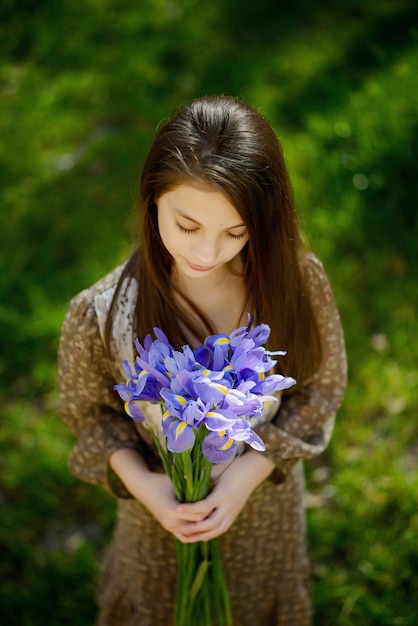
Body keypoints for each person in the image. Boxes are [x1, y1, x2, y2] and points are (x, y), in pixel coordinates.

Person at [57, 95, 347, 626]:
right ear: (151, 202)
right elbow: (90, 416)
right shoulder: (100, 314)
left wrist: (247, 476)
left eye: (235, 232)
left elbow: (319, 389)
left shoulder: (296, 285)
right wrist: (148, 487)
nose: (207, 253)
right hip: (159, 525)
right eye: (187, 225)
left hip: (264, 516)